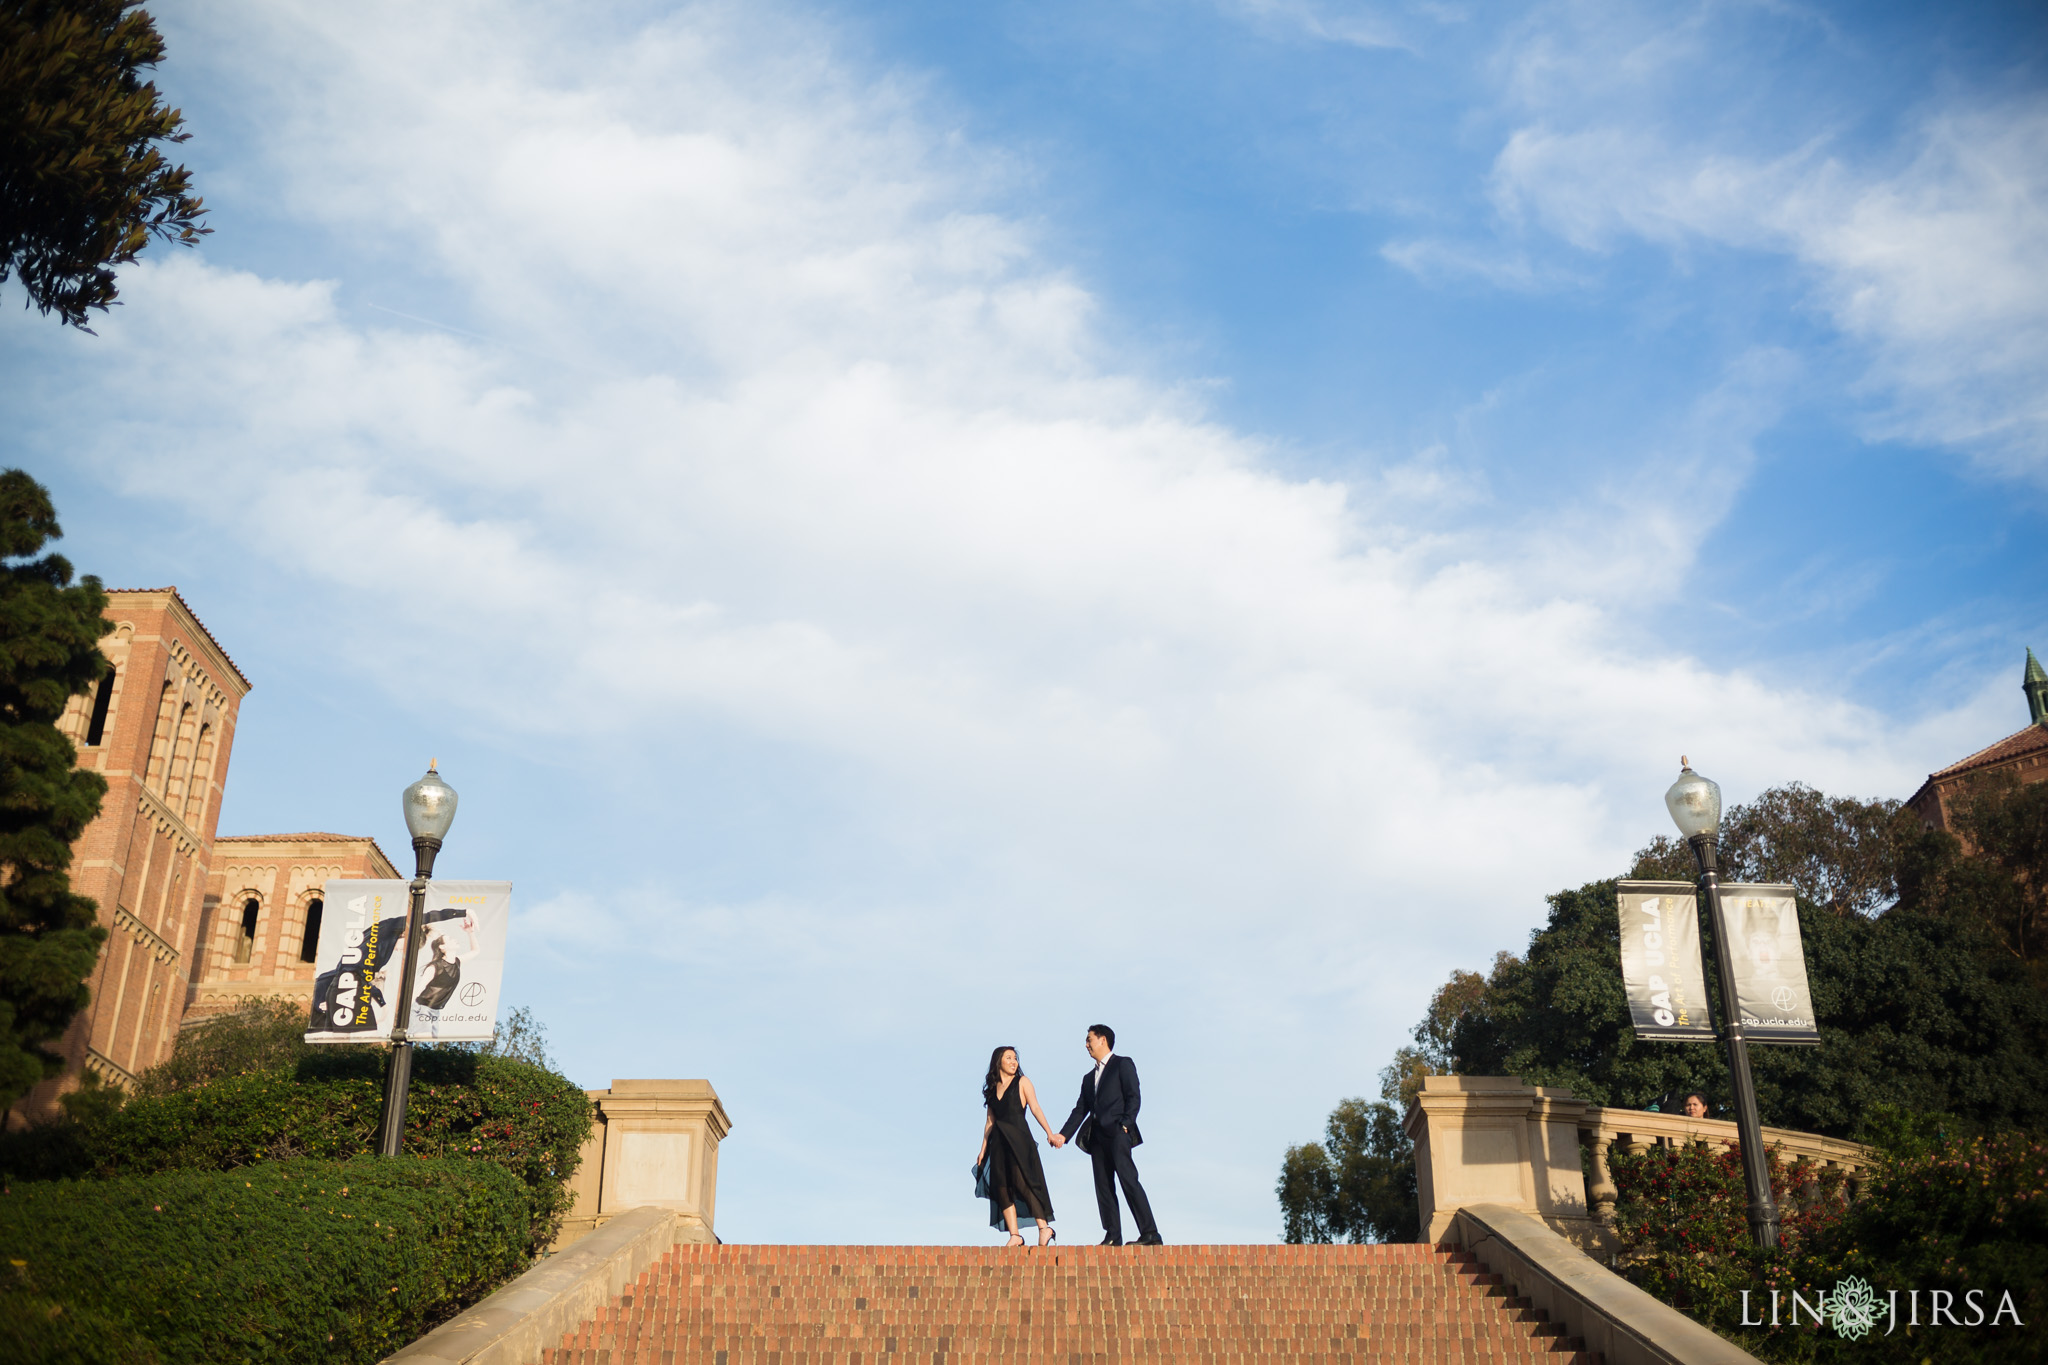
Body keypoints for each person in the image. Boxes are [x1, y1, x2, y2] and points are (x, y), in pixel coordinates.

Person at [1050, 1024, 1162, 1246]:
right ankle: (1113, 1236)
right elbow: (1080, 1109)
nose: (1086, 1044)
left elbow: (1134, 1096)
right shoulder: (1087, 1078)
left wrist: (1126, 1125)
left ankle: (1150, 1233)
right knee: (1103, 1187)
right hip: (1097, 1140)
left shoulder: (1123, 1064)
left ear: (1103, 1040)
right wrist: (1063, 1135)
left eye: (1089, 1039)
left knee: (1128, 1181)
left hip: (1119, 1134)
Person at [975, 1046, 1059, 1246]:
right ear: (999, 1062)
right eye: (1009, 1058)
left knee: (1024, 1182)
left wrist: (1049, 1133)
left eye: (1015, 1058)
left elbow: (1035, 1107)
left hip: (1020, 1141)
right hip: (998, 1145)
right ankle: (1015, 1235)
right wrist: (982, 1149)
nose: (1014, 1062)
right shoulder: (992, 1090)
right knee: (1002, 1187)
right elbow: (989, 1123)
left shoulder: (1022, 1082)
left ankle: (1044, 1228)